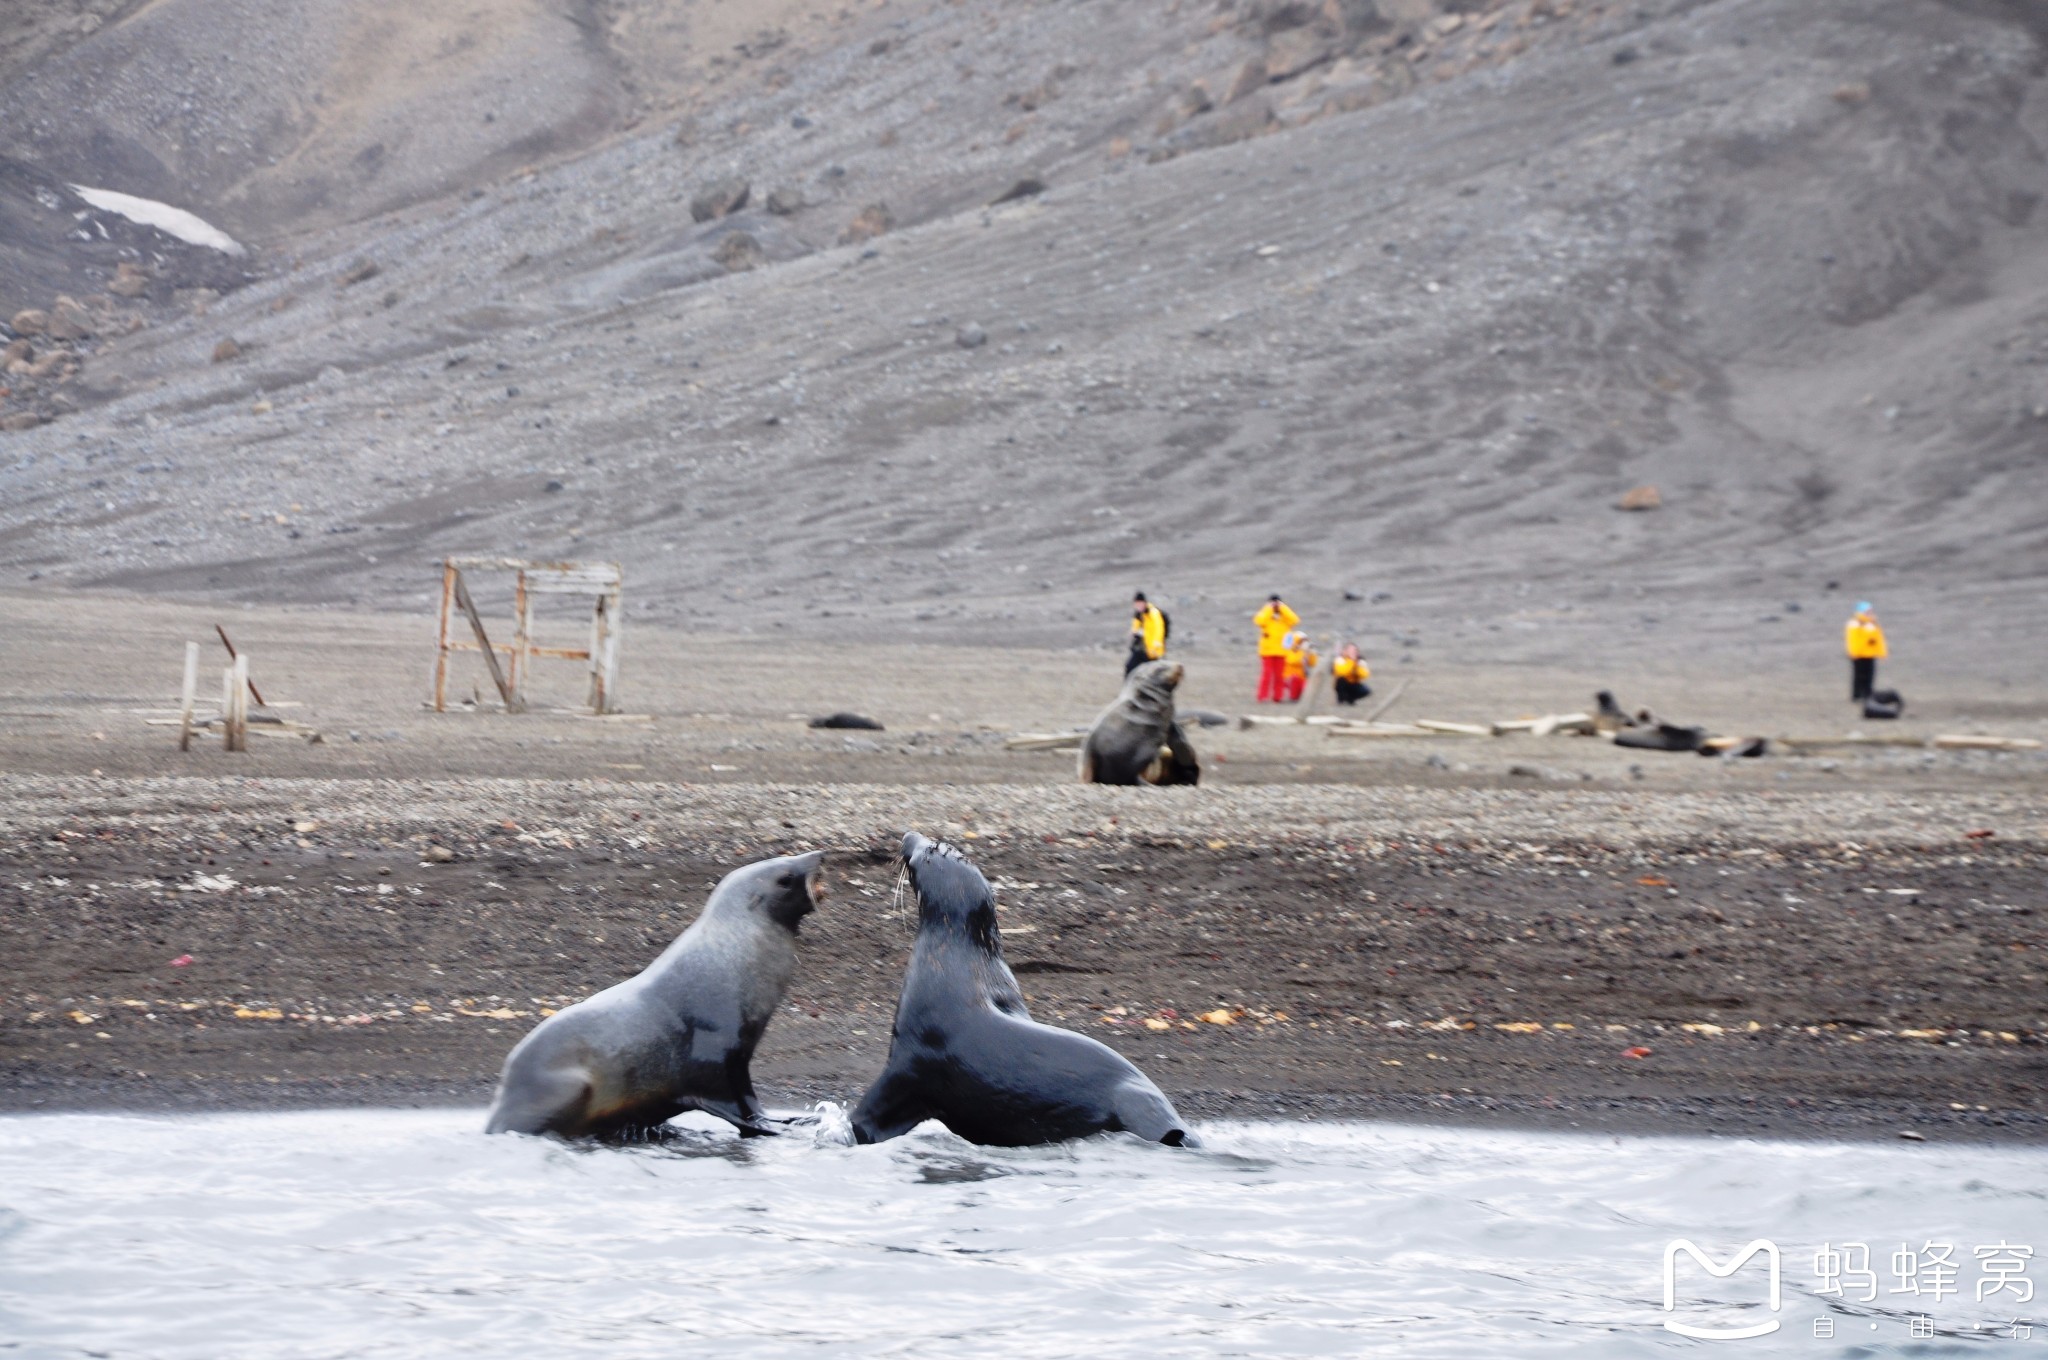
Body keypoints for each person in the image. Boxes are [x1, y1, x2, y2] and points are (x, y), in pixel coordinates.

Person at [1253, 594, 1299, 702]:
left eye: (1277, 603)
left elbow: (1295, 620)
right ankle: (1262, 696)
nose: (1275, 605)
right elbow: (1259, 621)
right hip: (1267, 650)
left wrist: (1283, 608)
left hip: (1282, 651)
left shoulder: (1285, 618)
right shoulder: (1265, 615)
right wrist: (1268, 609)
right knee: (1267, 674)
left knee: (1280, 675)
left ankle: (1278, 696)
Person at [1844, 601, 1887, 702]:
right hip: (1858, 654)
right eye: (1867, 611)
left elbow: (1878, 639)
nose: (1870, 613)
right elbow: (1852, 639)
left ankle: (1867, 693)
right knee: (1858, 675)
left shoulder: (1873, 623)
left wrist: (1882, 652)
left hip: (1870, 653)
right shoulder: (1854, 623)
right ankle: (1857, 694)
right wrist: (1853, 652)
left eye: (1870, 611)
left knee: (1870, 675)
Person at [1126, 592, 1167, 676]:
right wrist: (1134, 633)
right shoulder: (1139, 614)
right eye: (1136, 604)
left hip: (1154, 651)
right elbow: (1135, 627)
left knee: (1152, 675)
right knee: (1129, 667)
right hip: (1143, 649)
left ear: (1144, 602)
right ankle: (1129, 688)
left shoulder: (1153, 612)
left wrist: (1157, 643)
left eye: (1140, 603)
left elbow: (1159, 628)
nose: (1138, 606)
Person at [1280, 630, 1318, 703]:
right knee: (1295, 679)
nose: (1303, 643)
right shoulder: (1288, 650)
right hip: (1288, 678)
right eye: (1301, 641)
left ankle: (1300, 697)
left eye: (1305, 641)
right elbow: (1293, 661)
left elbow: (1313, 663)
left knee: (1306, 686)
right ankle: (1293, 697)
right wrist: (1303, 653)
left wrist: (1312, 654)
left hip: (1302, 678)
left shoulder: (1305, 652)